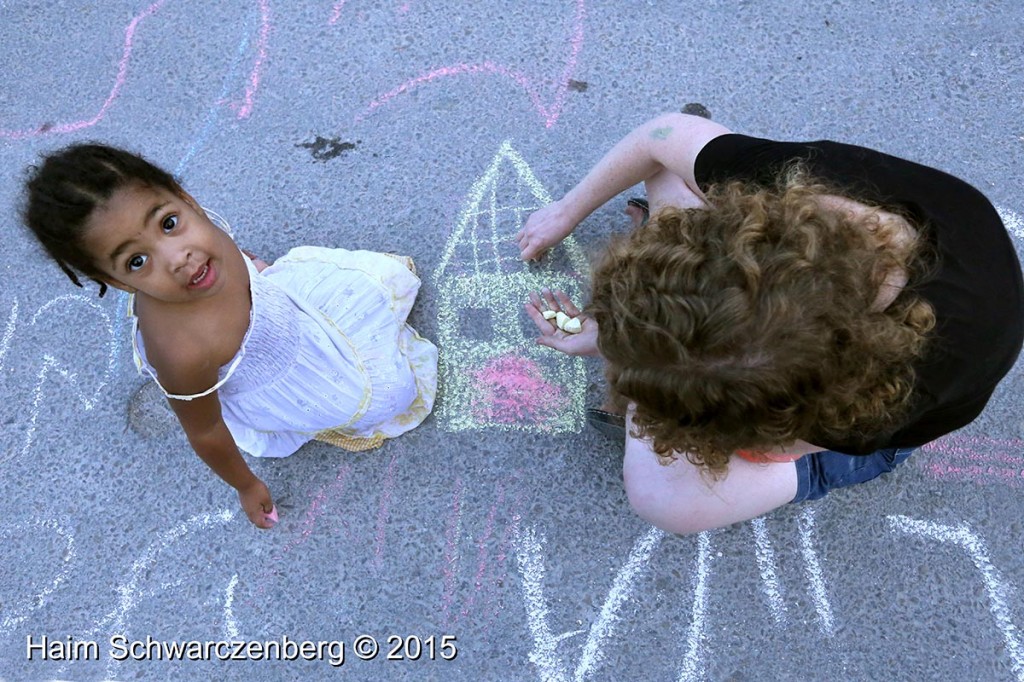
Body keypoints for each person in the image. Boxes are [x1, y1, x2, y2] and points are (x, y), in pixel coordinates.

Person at [517, 112, 1024, 535]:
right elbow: (665, 134)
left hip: (869, 429)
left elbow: (767, 451)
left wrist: (639, 368)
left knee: (665, 499)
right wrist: (568, 212)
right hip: (809, 345)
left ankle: (824, 473)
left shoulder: (871, 398)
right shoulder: (793, 184)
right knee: (671, 174)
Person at [23, 144, 437, 529]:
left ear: (185, 198)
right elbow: (204, 430)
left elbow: (225, 253)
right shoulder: (181, 352)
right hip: (286, 377)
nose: (179, 258)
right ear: (112, 280)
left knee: (385, 280)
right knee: (393, 394)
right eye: (136, 261)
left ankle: (273, 278)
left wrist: (251, 270)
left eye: (168, 223)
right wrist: (246, 485)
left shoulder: (204, 241)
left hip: (290, 317)